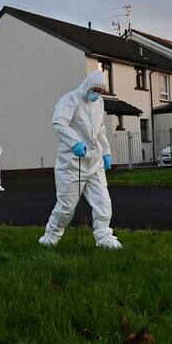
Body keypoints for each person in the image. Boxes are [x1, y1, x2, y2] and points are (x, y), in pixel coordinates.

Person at [39, 70, 121, 249]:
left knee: (103, 202)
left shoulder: (99, 103)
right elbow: (59, 123)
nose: (97, 93)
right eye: (94, 89)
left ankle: (104, 237)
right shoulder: (70, 100)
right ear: (87, 85)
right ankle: (50, 237)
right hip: (71, 164)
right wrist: (75, 142)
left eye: (100, 91)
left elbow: (100, 131)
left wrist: (106, 153)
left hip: (94, 162)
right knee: (66, 207)